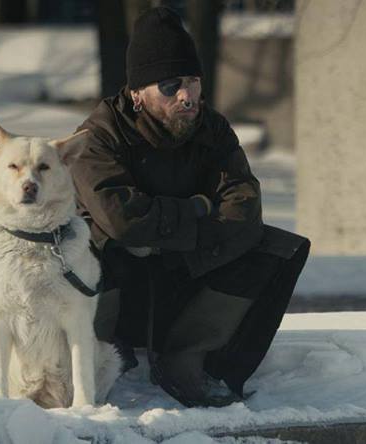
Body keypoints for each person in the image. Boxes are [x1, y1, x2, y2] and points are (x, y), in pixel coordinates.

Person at [60, 6, 310, 408]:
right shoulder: (99, 135)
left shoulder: (212, 129)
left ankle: (188, 358)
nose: (186, 95)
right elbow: (122, 218)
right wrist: (196, 208)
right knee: (89, 248)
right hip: (119, 289)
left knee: (273, 248)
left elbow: (244, 208)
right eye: (170, 84)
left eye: (193, 81)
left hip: (184, 275)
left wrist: (171, 238)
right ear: (137, 92)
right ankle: (99, 359)